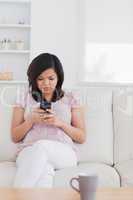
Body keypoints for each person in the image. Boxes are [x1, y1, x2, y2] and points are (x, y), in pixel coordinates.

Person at [11, 53, 86, 188]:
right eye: (40, 79)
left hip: (63, 152)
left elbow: (81, 137)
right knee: (45, 171)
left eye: (51, 78)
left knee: (41, 146)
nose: (46, 84)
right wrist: (31, 120)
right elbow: (15, 136)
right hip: (28, 151)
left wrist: (60, 123)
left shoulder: (71, 97)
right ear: (34, 79)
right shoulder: (23, 96)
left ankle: (14, 196)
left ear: (59, 77)